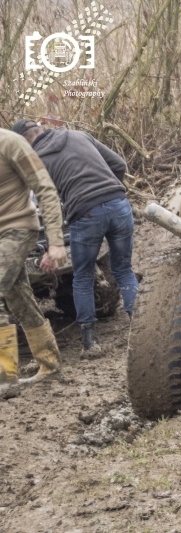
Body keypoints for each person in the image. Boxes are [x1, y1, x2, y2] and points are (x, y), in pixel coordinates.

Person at [15, 120, 138, 356]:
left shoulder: (35, 161)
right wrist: (110, 192)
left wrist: (51, 245)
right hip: (120, 205)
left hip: (86, 214)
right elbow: (119, 164)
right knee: (124, 270)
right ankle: (141, 329)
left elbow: (44, 205)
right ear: (40, 130)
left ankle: (90, 344)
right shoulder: (79, 135)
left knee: (82, 277)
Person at [0, 126, 67, 399]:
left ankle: (5, 380)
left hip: (17, 228)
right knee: (18, 299)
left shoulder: (11, 143)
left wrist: (56, 241)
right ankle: (49, 363)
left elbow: (45, 189)